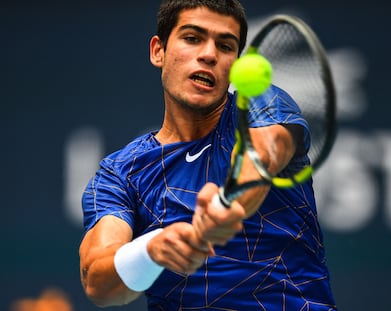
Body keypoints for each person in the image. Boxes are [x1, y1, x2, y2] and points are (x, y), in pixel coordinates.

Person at [79, 0, 337, 310]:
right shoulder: (120, 174)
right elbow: (97, 282)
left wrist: (230, 205)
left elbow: (263, 156)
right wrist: (152, 249)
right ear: (157, 50)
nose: (209, 54)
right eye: (192, 38)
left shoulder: (263, 104)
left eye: (226, 46)